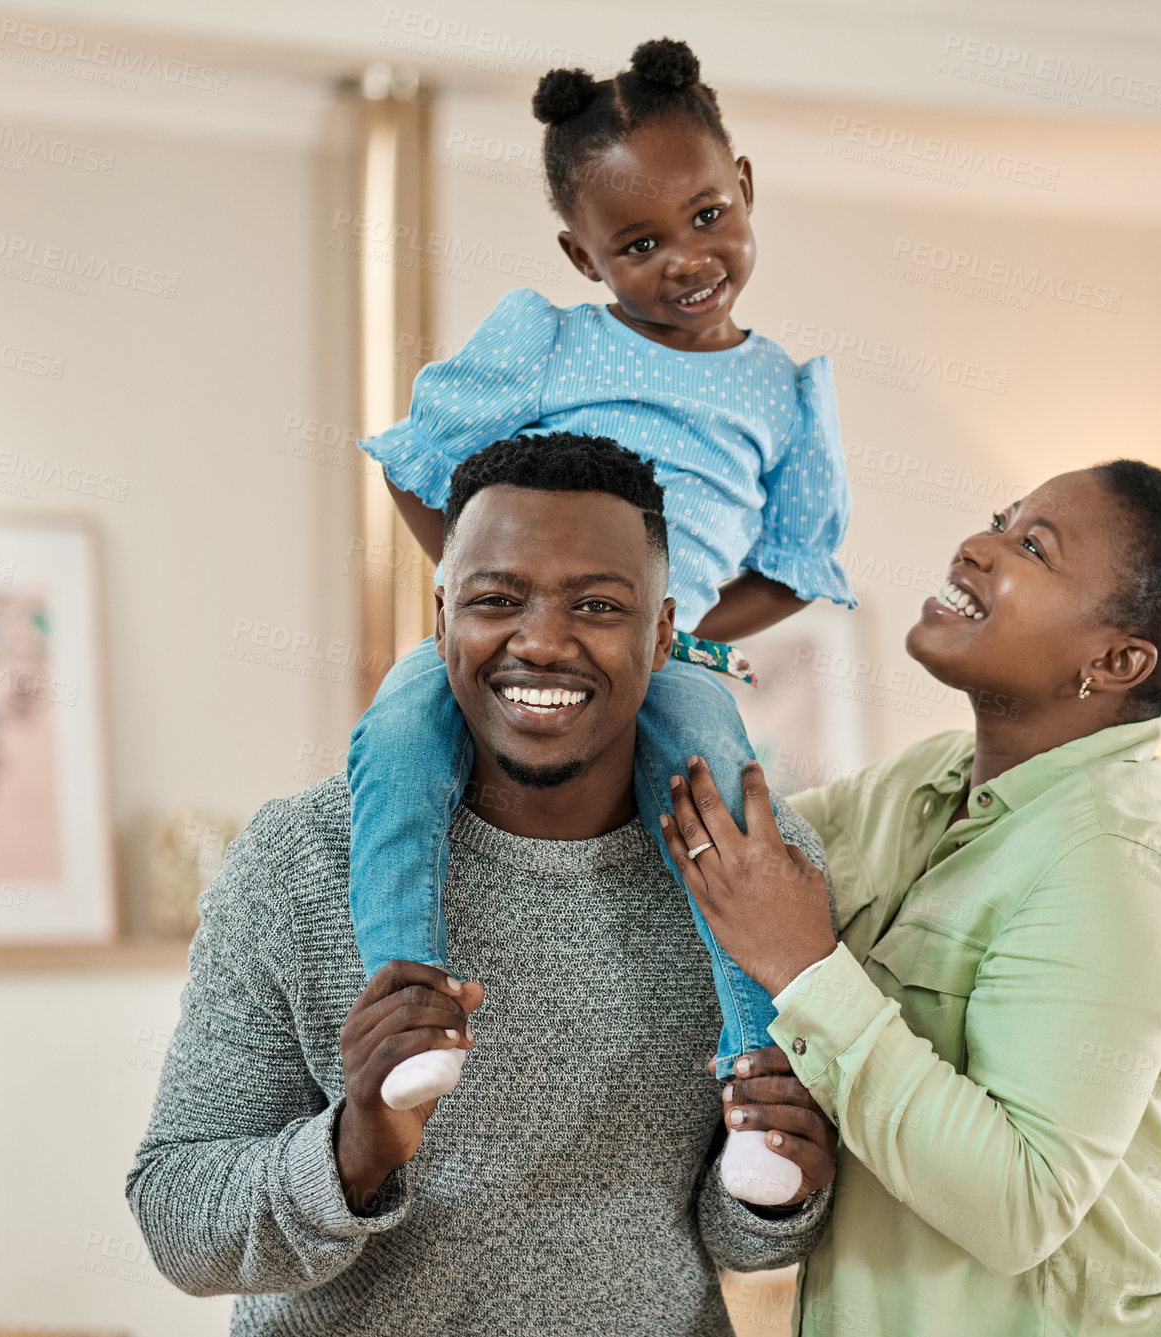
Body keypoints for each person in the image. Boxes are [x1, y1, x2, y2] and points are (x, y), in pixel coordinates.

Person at [127, 434, 839, 1336]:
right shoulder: (299, 859)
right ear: (440, 621)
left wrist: (787, 1191)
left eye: (597, 603)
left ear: (663, 634)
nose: (541, 641)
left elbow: (750, 1235)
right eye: (497, 599)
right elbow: (178, 1217)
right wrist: (354, 1150)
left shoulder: (761, 868)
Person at [350, 38, 853, 1202]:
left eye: (707, 215)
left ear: (745, 186)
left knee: (720, 790)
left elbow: (795, 566)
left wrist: (660, 629)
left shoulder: (783, 391)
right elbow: (414, 465)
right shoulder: (549, 343)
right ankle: (409, 993)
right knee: (396, 728)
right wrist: (497, 605)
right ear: (584, 253)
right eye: (638, 244)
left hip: (656, 660)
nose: (686, 260)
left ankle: (755, 1079)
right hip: (519, 641)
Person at [658, 461, 1161, 1335]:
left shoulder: (1114, 871)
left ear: (1117, 659)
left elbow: (1019, 1207)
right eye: (999, 519)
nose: (976, 546)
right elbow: (725, 857)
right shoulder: (926, 779)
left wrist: (801, 967)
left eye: (1032, 547)